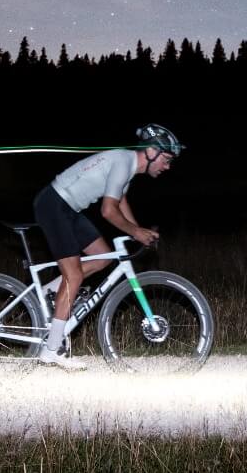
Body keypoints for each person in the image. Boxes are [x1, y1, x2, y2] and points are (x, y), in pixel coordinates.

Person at [30, 124, 183, 369]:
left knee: (103, 257)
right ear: (151, 151)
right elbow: (108, 211)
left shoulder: (128, 168)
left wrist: (137, 232)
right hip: (54, 205)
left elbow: (120, 201)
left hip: (69, 209)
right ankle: (51, 350)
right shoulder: (123, 162)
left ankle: (50, 292)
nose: (167, 167)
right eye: (165, 160)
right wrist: (135, 231)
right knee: (74, 276)